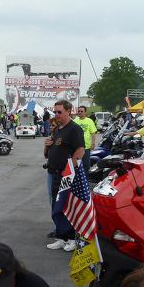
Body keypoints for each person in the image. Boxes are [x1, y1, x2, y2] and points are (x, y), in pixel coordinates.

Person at [43, 100, 84, 252]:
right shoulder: (58, 129)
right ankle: (61, 237)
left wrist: (70, 170)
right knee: (56, 206)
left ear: (68, 111)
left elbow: (80, 151)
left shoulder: (74, 129)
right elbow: (50, 152)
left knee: (67, 206)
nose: (57, 115)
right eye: (55, 112)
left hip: (65, 174)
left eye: (59, 112)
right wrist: (47, 146)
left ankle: (72, 239)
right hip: (53, 173)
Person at [73, 106, 97, 170]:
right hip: (76, 147)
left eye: (81, 111)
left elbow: (93, 133)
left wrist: (93, 143)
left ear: (85, 112)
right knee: (76, 165)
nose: (80, 112)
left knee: (86, 165)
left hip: (86, 147)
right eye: (79, 111)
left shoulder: (89, 121)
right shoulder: (75, 121)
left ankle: (86, 178)